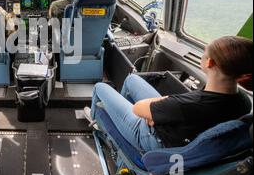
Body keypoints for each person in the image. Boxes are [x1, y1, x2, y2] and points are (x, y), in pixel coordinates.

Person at [85, 36, 253, 152]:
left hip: (152, 139)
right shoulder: (244, 102)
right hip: (175, 128)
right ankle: (120, 117)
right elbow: (171, 107)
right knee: (131, 80)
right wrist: (155, 111)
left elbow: (138, 109)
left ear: (209, 62)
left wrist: (152, 112)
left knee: (100, 87)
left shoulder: (189, 104)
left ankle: (95, 121)